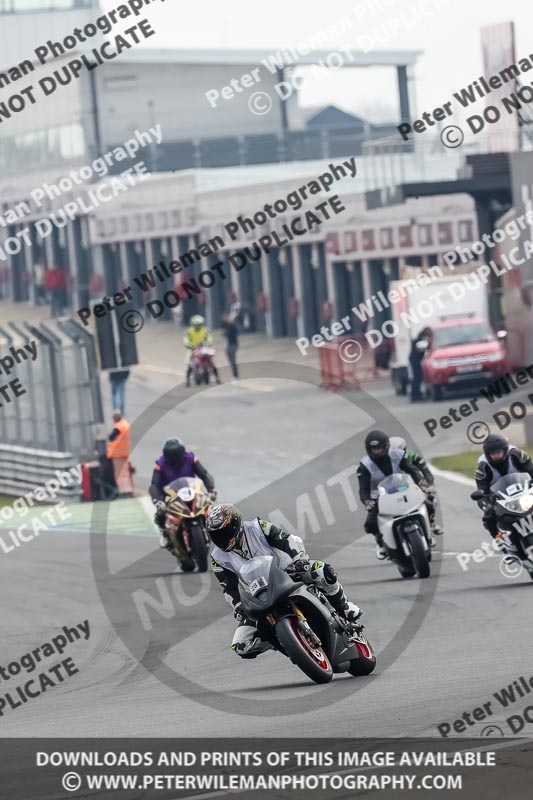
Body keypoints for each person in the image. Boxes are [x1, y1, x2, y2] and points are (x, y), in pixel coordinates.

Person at [207, 504, 362, 658]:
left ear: (236, 524)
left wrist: (300, 560)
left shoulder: (258, 527)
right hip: (257, 594)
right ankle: (282, 640)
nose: (221, 538)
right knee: (241, 645)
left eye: (224, 532)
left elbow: (286, 540)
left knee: (323, 571)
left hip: (287, 572)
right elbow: (229, 588)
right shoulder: (217, 559)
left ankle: (344, 606)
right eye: (216, 535)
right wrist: (238, 606)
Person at [356, 430, 431, 560]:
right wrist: (367, 501)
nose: (377, 451)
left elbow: (412, 470)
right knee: (370, 523)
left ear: (386, 446)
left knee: (428, 504)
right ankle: (380, 542)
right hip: (379, 497)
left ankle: (430, 531)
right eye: (373, 448)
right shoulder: (364, 466)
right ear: (368, 449)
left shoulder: (399, 455)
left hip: (403, 488)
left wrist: (421, 483)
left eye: (379, 448)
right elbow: (363, 489)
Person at [149, 438, 216, 561]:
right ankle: (164, 533)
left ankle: (213, 527)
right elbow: (154, 484)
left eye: (176, 454)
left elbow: (204, 474)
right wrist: (157, 500)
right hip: (170, 494)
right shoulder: (160, 464)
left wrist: (211, 490)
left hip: (191, 490)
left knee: (209, 505)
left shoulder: (191, 458)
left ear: (182, 452)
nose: (173, 458)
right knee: (160, 513)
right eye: (170, 455)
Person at [474, 434, 533, 558]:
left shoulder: (517, 456)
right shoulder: (483, 467)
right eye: (492, 453)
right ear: (487, 454)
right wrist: (486, 504)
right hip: (500, 498)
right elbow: (481, 490)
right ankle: (500, 541)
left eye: (498, 452)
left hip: (525, 492)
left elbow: (531, 471)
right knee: (489, 515)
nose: (496, 455)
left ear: (505, 450)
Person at [389, 436, 443, 539]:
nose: (398, 455)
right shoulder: (385, 460)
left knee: (430, 501)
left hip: (413, 486)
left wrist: (429, 484)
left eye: (400, 451)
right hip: (393, 489)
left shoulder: (411, 455)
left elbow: (425, 470)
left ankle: (430, 524)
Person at [183, 314, 220, 386]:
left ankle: (217, 378)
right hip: (193, 349)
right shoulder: (189, 331)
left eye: (200, 324)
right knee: (190, 363)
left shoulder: (204, 330)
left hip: (204, 348)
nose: (198, 326)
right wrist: (189, 345)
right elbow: (186, 340)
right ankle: (187, 381)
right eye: (197, 324)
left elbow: (210, 337)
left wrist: (208, 343)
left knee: (211, 362)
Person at [106, 410, 134, 497]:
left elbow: (111, 437)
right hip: (124, 453)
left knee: (120, 474)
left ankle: (124, 492)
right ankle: (129, 490)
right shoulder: (125, 424)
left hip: (117, 454)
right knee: (125, 473)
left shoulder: (118, 426)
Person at [409, 327, 431, 402]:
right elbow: (422, 350)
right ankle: (415, 396)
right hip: (415, 360)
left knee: (417, 378)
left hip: (415, 359)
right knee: (417, 378)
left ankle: (416, 395)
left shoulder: (419, 338)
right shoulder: (420, 339)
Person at [221, 313, 239, 379]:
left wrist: (229, 322)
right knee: (231, 359)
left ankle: (235, 375)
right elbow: (223, 328)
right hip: (231, 345)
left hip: (233, 345)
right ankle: (234, 374)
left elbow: (227, 332)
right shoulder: (228, 325)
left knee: (232, 360)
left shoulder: (232, 326)